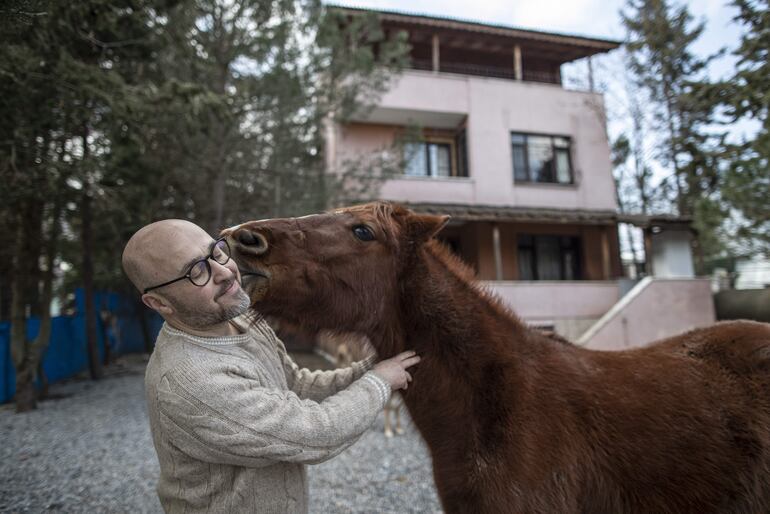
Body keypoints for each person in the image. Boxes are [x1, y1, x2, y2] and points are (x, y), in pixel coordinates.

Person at [122, 219, 420, 514]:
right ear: (159, 303)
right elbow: (315, 433)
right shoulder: (190, 384)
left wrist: (372, 368)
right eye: (196, 271)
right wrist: (379, 382)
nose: (225, 272)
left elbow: (296, 384)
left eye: (216, 252)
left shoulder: (235, 319)